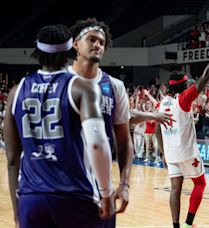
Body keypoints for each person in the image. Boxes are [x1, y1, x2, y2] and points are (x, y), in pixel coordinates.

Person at [5, 24, 115, 227]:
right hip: (74, 196)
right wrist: (107, 192)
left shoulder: (16, 91)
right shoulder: (81, 87)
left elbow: (12, 161)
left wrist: (17, 210)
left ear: (37, 52)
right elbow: (97, 144)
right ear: (70, 50)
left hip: (31, 199)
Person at [69, 18, 172, 221]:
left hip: (101, 185)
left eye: (101, 42)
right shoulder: (61, 82)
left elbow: (124, 126)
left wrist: (124, 184)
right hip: (66, 182)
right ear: (75, 44)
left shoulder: (114, 86)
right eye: (91, 39)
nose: (97, 45)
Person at [156, 34, 209, 228]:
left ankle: (176, 226)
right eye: (186, 82)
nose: (189, 84)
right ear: (182, 86)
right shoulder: (184, 99)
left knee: (175, 190)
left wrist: (163, 153)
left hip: (171, 154)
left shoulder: (162, 103)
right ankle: (188, 223)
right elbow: (205, 76)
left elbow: (156, 130)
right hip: (187, 152)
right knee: (200, 184)